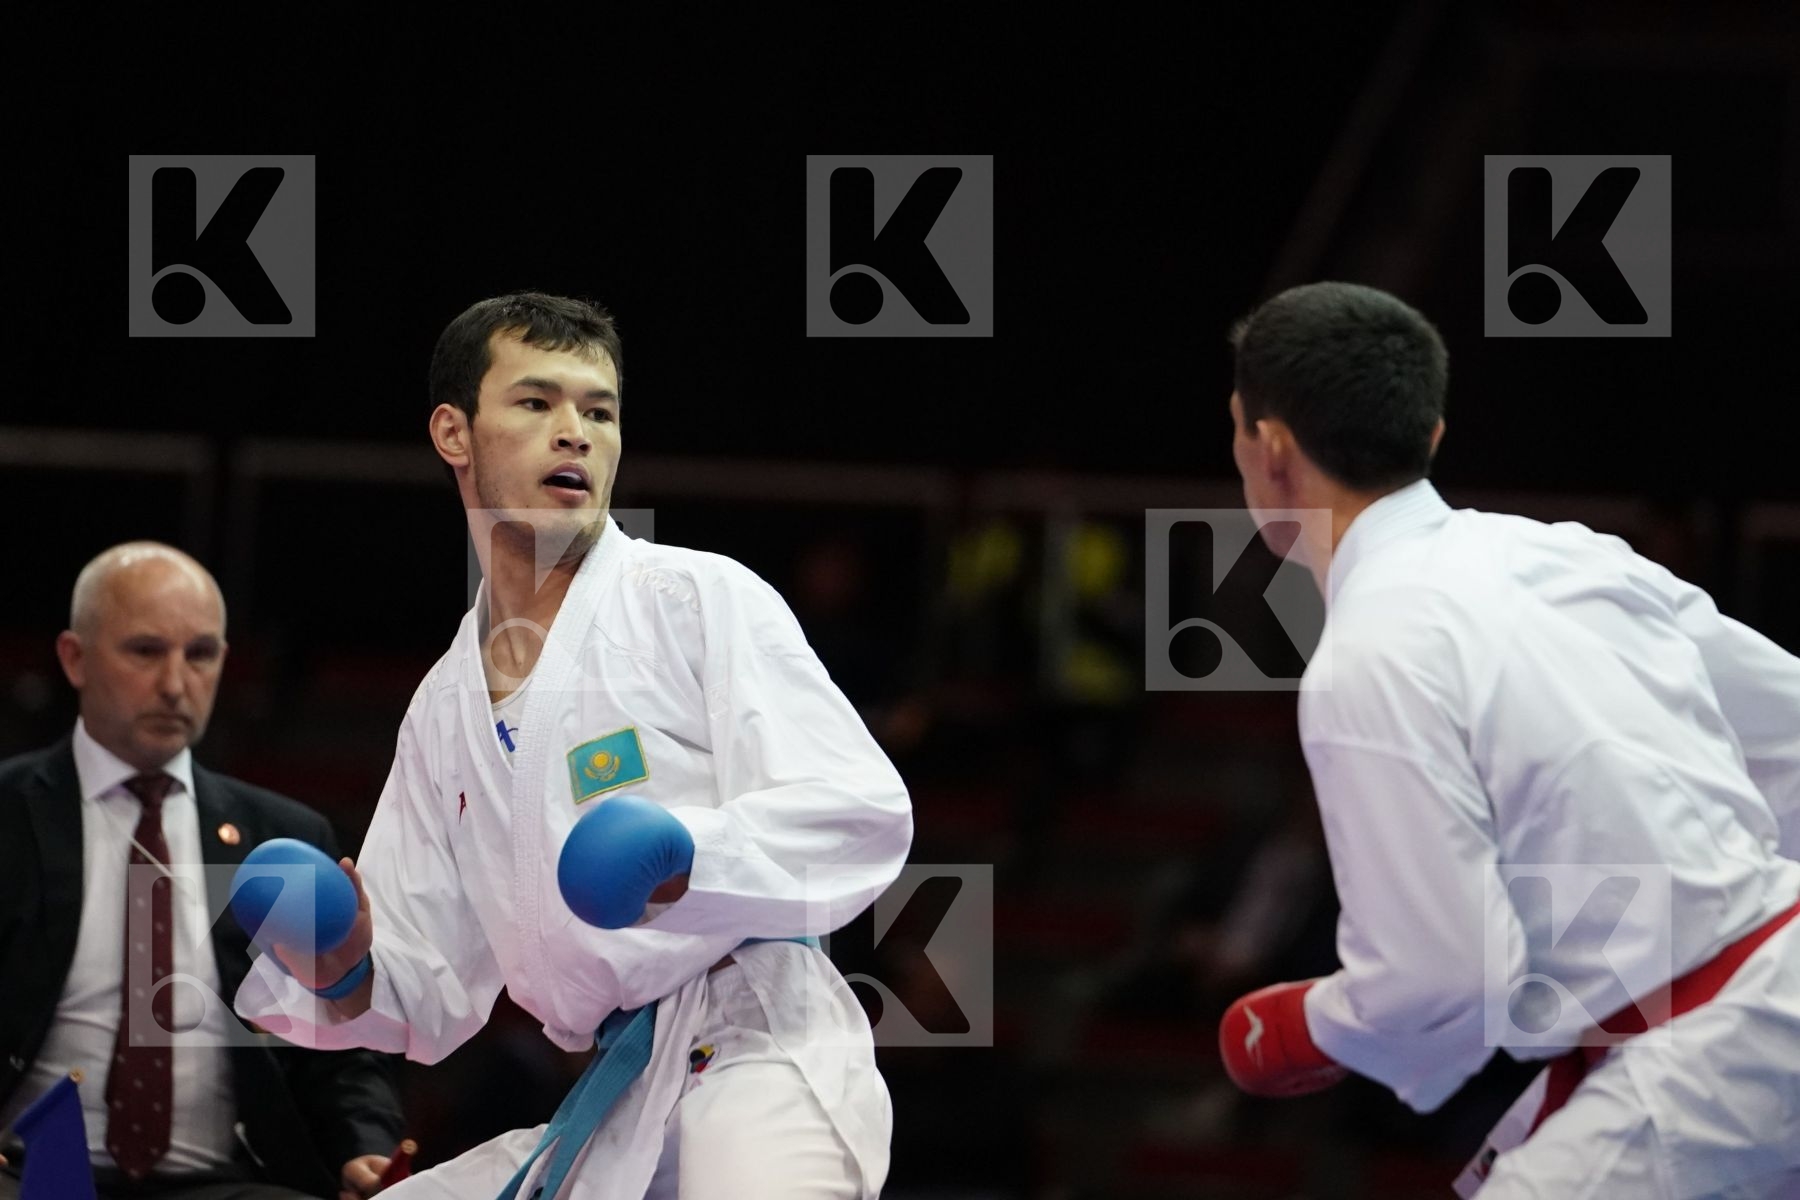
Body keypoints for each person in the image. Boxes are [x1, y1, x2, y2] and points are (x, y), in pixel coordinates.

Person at [232, 292, 913, 1200]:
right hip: (617, 1088)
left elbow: (861, 814)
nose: (575, 432)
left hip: (761, 1045)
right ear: (453, 433)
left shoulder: (698, 600)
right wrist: (342, 962)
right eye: (536, 402)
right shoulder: (443, 707)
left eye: (599, 411)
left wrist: (687, 858)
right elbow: (425, 990)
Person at [1210, 282, 1800, 1197]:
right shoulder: (1564, 553)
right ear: (1433, 435)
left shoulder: (1368, 656)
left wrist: (1308, 1024)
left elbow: (1444, 980)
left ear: (1271, 449)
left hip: (1711, 1055)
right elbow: (1789, 731)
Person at [0, 543, 406, 1199]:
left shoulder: (284, 837)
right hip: (23, 1176)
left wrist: (364, 1148)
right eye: (144, 650)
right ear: (74, 658)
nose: (174, 682)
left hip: (223, 1183)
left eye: (200, 654)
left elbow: (345, 1041)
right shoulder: (9, 817)